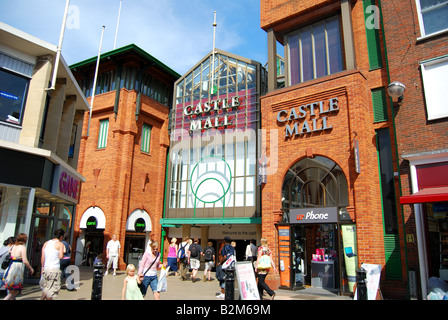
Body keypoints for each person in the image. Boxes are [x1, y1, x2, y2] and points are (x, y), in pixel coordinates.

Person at [3, 234, 33, 300]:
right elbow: (25, 260)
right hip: (17, 269)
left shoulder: (13, 246)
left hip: (10, 267)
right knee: (16, 290)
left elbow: (9, 252)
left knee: (11, 289)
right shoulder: (22, 248)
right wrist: (30, 268)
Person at [40, 229, 65, 300]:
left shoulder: (46, 243)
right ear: (61, 236)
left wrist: (42, 267)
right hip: (54, 268)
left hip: (46, 268)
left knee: (47, 287)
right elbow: (61, 256)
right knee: (52, 290)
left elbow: (43, 257)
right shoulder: (60, 244)